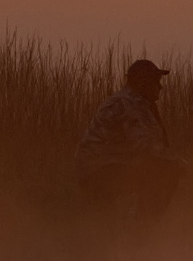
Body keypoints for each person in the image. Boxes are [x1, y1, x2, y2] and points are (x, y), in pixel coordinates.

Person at [76, 58, 185, 219]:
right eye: (156, 82)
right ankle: (142, 230)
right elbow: (145, 145)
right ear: (143, 82)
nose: (160, 87)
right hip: (100, 171)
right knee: (167, 169)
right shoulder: (130, 103)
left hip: (99, 168)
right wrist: (179, 162)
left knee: (158, 168)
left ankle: (131, 223)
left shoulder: (132, 101)